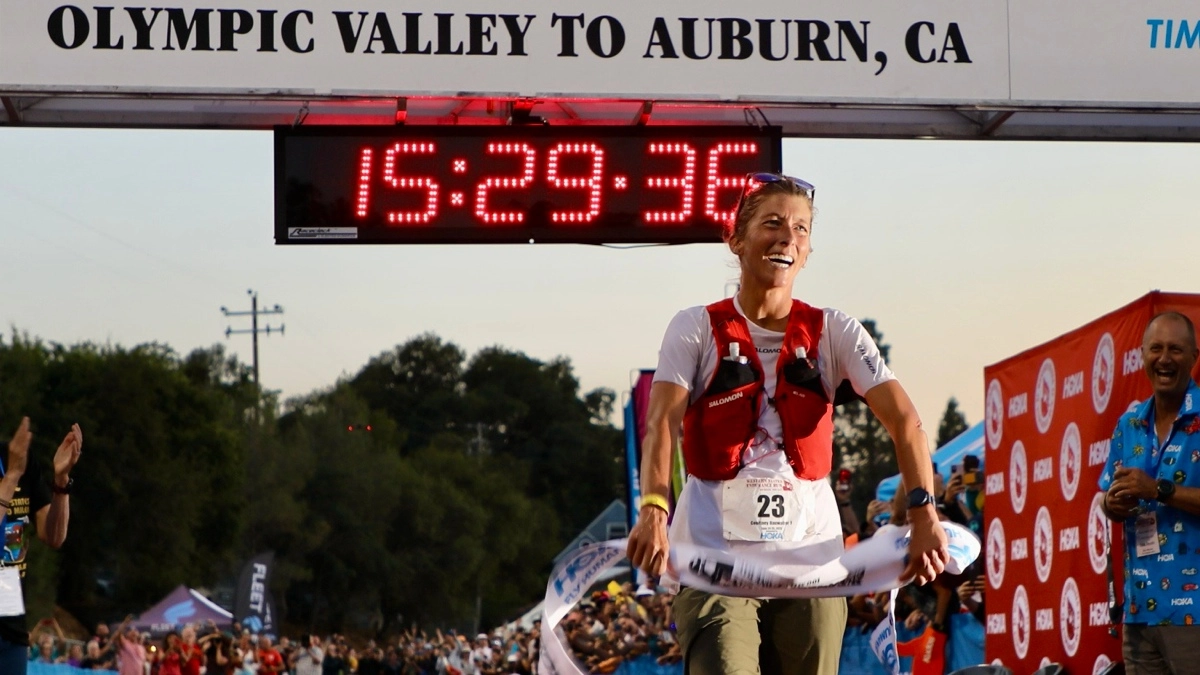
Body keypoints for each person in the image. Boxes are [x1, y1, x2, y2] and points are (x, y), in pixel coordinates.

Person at [625, 172, 949, 675]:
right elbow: (660, 424)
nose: (787, 238)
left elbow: (905, 421)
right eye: (772, 224)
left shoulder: (834, 330)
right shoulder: (694, 327)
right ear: (735, 239)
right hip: (717, 565)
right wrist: (652, 509)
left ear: (808, 251)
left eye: (800, 229)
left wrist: (924, 512)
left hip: (813, 567)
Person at [1100, 311, 1200, 673]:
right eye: (1155, 348)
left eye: (1176, 349)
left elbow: (1155, 491)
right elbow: (1105, 499)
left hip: (1194, 614)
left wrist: (1158, 489)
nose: (1164, 358)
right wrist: (1112, 503)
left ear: (1194, 357)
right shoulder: (1128, 425)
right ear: (1142, 355)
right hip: (1139, 611)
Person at [0, 417, 83, 675]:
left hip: (10, 620)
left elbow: (54, 536)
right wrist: (12, 475)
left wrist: (61, 482)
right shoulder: (15, 465)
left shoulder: (17, 456)